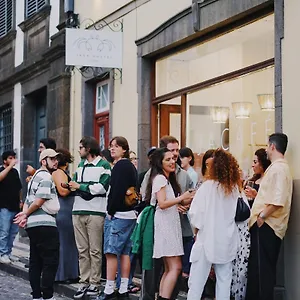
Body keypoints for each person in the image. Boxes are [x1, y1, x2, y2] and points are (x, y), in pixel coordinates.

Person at [141, 136, 193, 300]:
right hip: (166, 226)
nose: (172, 161)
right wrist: (181, 198)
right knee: (175, 267)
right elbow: (162, 203)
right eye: (168, 159)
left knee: (170, 268)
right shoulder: (160, 178)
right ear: (160, 162)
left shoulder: (167, 179)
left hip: (170, 225)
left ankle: (162, 297)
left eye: (173, 158)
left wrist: (190, 197)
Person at [187, 148, 242, 300]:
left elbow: (195, 215)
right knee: (224, 280)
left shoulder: (207, 187)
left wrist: (197, 230)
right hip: (226, 239)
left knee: (196, 282)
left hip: (206, 239)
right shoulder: (233, 188)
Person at [246, 133, 292, 300]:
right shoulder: (278, 167)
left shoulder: (279, 168)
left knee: (261, 272)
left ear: (272, 146)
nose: (266, 149)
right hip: (267, 225)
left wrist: (262, 217)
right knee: (261, 271)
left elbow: (278, 200)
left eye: (267, 146)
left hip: (267, 226)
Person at [14, 149, 60, 300]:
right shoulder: (46, 176)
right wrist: (25, 215)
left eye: (56, 159)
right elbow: (40, 200)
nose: (56, 161)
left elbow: (28, 200)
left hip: (33, 225)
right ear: (43, 161)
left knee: (35, 261)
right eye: (52, 159)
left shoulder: (34, 177)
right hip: (46, 224)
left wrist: (25, 216)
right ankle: (47, 296)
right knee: (50, 261)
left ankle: (36, 296)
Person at [70, 137, 111, 298]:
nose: (79, 150)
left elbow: (101, 188)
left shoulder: (104, 165)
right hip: (78, 210)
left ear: (88, 148)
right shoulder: (80, 166)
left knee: (95, 250)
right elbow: (74, 183)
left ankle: (95, 283)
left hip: (95, 212)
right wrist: (80, 187)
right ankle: (83, 282)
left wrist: (80, 187)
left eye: (81, 147)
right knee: (82, 250)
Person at [99, 136, 138, 300]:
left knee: (111, 252)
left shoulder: (121, 165)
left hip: (119, 215)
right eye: (111, 146)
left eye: (116, 146)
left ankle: (109, 289)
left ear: (124, 149)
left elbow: (117, 191)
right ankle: (123, 288)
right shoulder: (129, 166)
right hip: (129, 215)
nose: (112, 148)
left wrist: (110, 210)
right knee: (124, 253)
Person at [52, 149, 79, 283]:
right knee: (65, 243)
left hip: (67, 209)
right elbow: (62, 191)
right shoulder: (59, 172)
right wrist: (74, 187)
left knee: (68, 243)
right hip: (64, 209)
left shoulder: (60, 172)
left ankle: (68, 273)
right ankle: (64, 274)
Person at [0, 150, 22, 264]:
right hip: (4, 206)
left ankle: (8, 253)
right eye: (10, 158)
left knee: (13, 232)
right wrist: (9, 167)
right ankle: (2, 253)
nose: (13, 159)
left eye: (14, 157)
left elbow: (19, 188)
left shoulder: (15, 172)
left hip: (15, 206)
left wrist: (21, 200)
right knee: (4, 231)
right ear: (5, 160)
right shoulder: (2, 170)